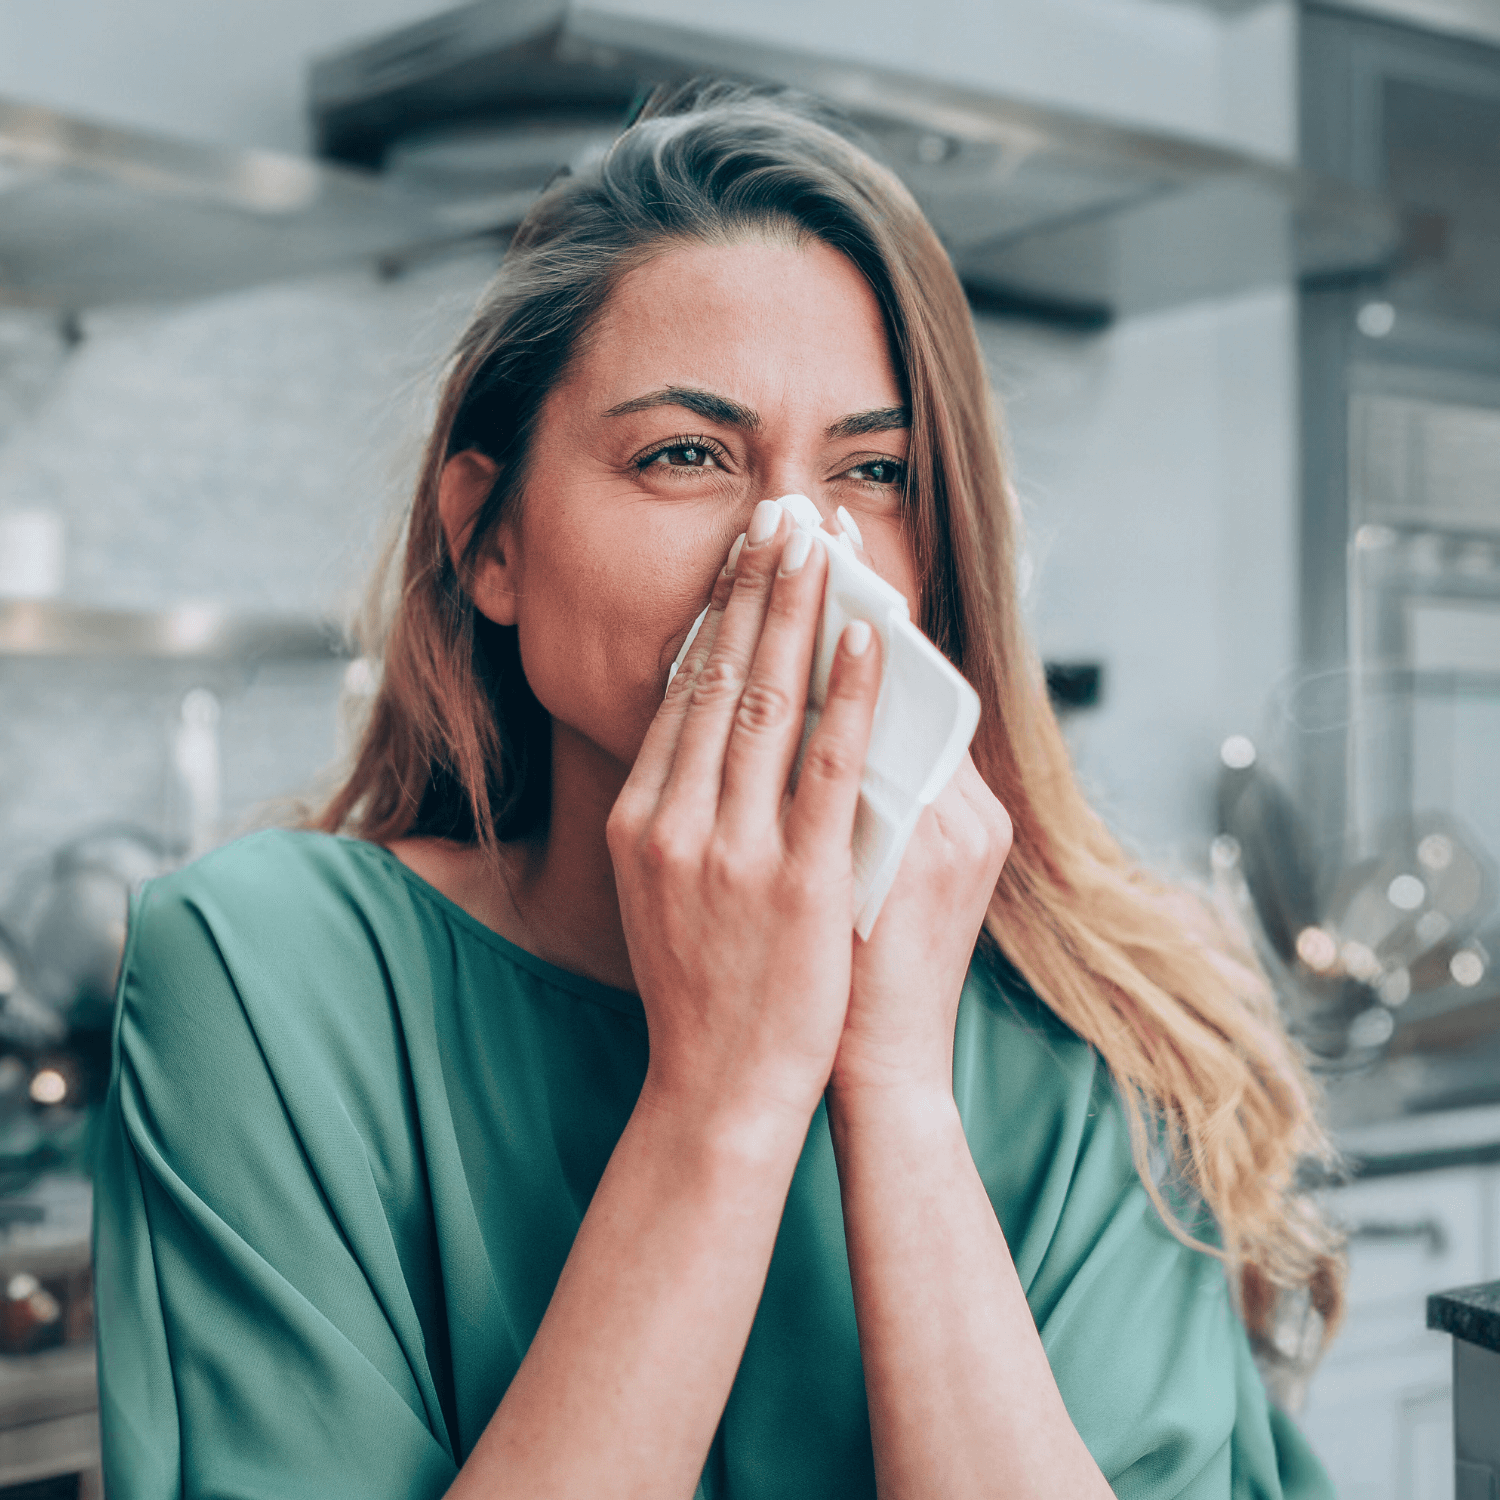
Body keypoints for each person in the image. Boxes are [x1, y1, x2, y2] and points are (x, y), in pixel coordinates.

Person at [93, 82, 1344, 1498]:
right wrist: (723, 1100)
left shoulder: (1080, 1027)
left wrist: (896, 1095)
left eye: (873, 471)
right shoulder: (263, 977)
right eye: (684, 454)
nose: (796, 550)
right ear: (487, 540)